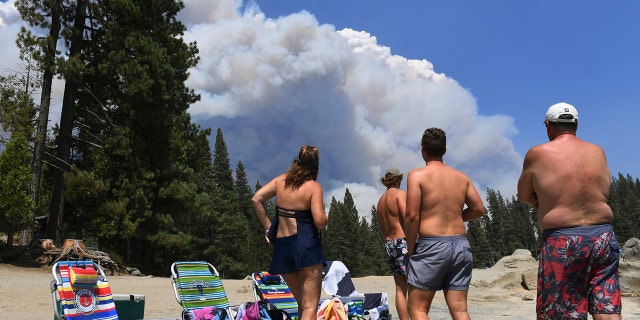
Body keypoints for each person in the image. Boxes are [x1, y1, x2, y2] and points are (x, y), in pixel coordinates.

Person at [518, 102, 622, 320]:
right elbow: (603, 191)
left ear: (548, 126)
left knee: (563, 311)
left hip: (564, 241)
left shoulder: (537, 153)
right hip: (603, 237)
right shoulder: (598, 151)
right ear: (576, 125)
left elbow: (523, 195)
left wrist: (544, 200)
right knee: (607, 308)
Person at [405, 127, 485, 320]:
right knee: (459, 310)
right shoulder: (461, 177)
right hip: (460, 245)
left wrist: (410, 248)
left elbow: (411, 216)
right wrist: (457, 217)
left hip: (431, 245)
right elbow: (479, 209)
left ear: (422, 150)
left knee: (418, 309)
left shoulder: (417, 176)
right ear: (445, 150)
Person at [252, 145, 328, 320]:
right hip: (306, 246)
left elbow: (257, 199)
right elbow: (319, 221)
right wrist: (325, 217)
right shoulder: (313, 187)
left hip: (283, 247)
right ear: (316, 166)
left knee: (301, 304)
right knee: (310, 306)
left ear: (296, 161)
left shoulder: (280, 181)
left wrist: (268, 227)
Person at [376, 167, 409, 320]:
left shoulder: (380, 201)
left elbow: (382, 228)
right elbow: (407, 217)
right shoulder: (399, 194)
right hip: (404, 242)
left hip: (390, 244)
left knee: (400, 288)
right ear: (397, 179)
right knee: (415, 285)